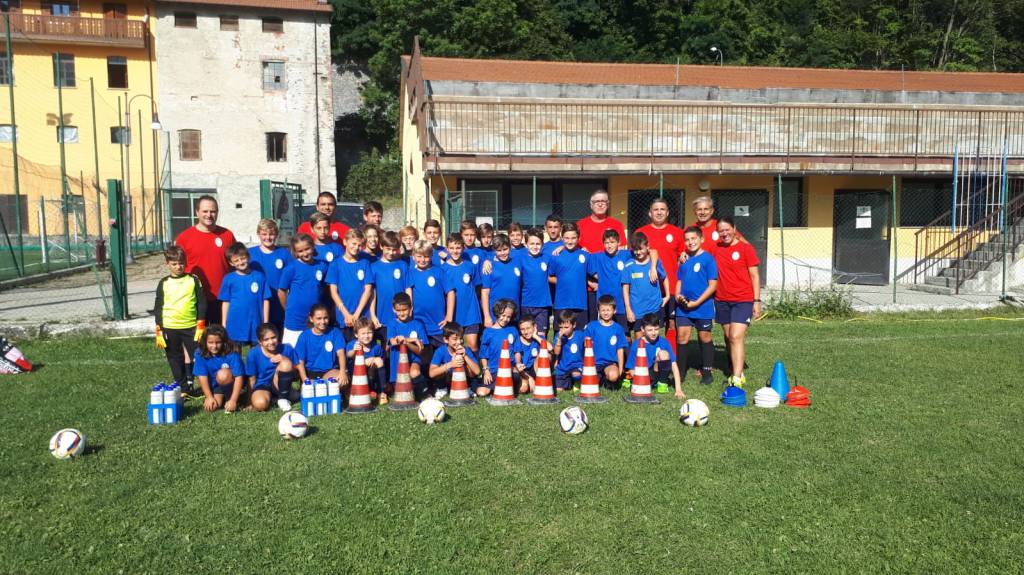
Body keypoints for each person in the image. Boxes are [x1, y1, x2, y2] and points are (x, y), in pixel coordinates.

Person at [713, 216, 761, 388]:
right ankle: (736, 369)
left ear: (734, 229)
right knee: (728, 337)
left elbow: (755, 276)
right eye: (721, 231)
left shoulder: (745, 248)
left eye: (727, 229)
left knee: (735, 336)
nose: (724, 233)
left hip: (743, 300)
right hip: (722, 300)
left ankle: (737, 376)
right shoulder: (716, 249)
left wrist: (756, 301)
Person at [154, 245, 206, 395]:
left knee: (199, 356)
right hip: (170, 327)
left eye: (181, 263)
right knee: (175, 358)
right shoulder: (163, 283)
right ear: (167, 264)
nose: (178, 267)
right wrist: (159, 328)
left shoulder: (193, 280)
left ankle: (206, 387)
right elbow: (159, 306)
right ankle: (183, 389)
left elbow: (202, 302)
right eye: (174, 264)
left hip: (191, 327)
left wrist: (200, 323)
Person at [174, 195, 235, 324]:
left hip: (223, 297)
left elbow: (235, 264)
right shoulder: (184, 238)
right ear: (197, 212)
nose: (209, 215)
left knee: (222, 339)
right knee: (197, 339)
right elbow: (177, 268)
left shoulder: (227, 235)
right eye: (205, 211)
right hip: (195, 297)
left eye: (213, 211)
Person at [675, 226, 718, 385]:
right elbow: (679, 280)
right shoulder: (684, 260)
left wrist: (697, 303)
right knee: (682, 336)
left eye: (693, 238)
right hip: (684, 307)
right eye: (687, 239)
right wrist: (678, 295)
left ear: (701, 239)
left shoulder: (708, 259)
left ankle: (707, 371)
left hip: (702, 306)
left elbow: (712, 285)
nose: (690, 242)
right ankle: (680, 372)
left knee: (704, 336)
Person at [637, 197, 686, 334]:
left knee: (672, 324)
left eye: (662, 209)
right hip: (649, 288)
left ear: (668, 212)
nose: (659, 212)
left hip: (671, 287)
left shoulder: (677, 232)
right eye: (656, 209)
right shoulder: (641, 233)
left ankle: (671, 355)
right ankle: (648, 354)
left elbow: (683, 257)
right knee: (648, 326)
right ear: (650, 213)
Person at [277, 234, 328, 347]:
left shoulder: (322, 266)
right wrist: (288, 308)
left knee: (312, 350)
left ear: (313, 247)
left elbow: (323, 287)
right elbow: (281, 291)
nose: (305, 253)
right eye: (300, 251)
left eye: (307, 249)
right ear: (295, 253)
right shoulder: (291, 268)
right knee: (291, 351)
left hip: (315, 318)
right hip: (295, 318)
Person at [219, 242, 270, 346]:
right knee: (235, 353)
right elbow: (226, 301)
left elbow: (266, 300)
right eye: (236, 260)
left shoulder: (259, 276)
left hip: (256, 322)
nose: (240, 262)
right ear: (231, 263)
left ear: (248, 257)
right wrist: (224, 323)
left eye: (242, 258)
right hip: (235, 323)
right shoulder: (228, 279)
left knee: (256, 352)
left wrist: (266, 321)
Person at [327, 228, 373, 340]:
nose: (356, 247)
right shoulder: (336, 264)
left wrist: (357, 314)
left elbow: (368, 290)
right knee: (346, 352)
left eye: (360, 245)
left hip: (362, 317)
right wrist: (346, 314)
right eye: (354, 243)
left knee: (363, 352)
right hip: (343, 318)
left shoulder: (365, 263)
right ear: (345, 242)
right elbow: (333, 291)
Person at [625, 313, 684, 398]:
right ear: (642, 329)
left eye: (656, 329)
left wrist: (678, 389)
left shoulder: (664, 342)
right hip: (643, 373)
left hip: (657, 371)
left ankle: (662, 383)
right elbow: (631, 369)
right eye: (650, 330)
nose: (653, 333)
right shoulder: (636, 345)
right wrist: (639, 381)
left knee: (663, 353)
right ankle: (652, 382)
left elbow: (674, 364)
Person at [621, 232, 668, 337]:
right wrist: (628, 309)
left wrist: (667, 295)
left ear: (647, 247)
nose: (638, 252)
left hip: (654, 308)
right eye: (635, 249)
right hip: (637, 310)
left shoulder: (654, 262)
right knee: (639, 339)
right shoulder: (629, 265)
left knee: (654, 337)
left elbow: (664, 277)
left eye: (641, 249)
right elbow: (625, 289)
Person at [442, 233, 482, 353]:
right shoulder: (443, 269)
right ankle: (457, 370)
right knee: (454, 347)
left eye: (458, 248)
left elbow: (477, 287)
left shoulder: (470, 266)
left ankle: (475, 371)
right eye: (452, 248)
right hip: (453, 314)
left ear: (463, 248)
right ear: (447, 249)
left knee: (472, 345)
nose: (455, 251)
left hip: (471, 312)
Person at [248, 219, 292, 327]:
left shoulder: (284, 253)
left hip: (279, 301)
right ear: (258, 234)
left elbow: (292, 277)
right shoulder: (250, 254)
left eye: (271, 234)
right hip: (258, 301)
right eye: (264, 234)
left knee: (278, 334)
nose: (268, 237)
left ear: (276, 234)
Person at [244, 323, 297, 412]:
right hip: (262, 385)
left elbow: (296, 373)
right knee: (260, 404)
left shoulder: (287, 348)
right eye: (266, 339)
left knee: (286, 363)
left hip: (280, 385)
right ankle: (273, 399)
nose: (271, 342)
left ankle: (282, 398)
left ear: (278, 336)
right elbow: (251, 379)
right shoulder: (253, 354)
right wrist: (249, 401)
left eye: (273, 337)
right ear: (260, 341)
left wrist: (284, 359)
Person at [192, 324, 246, 412]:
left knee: (223, 375)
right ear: (205, 342)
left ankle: (234, 399)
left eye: (218, 342)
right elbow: (202, 376)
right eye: (210, 342)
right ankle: (222, 397)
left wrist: (233, 400)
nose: (214, 346)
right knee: (213, 407)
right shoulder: (200, 353)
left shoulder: (232, 352)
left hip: (231, 382)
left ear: (224, 342)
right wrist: (209, 397)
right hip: (215, 386)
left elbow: (239, 377)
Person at [293, 304, 349, 386]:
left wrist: (342, 371)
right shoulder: (304, 336)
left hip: (330, 372)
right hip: (311, 373)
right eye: (319, 318)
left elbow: (341, 354)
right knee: (313, 391)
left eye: (325, 318)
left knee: (340, 380)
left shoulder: (335, 332)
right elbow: (300, 361)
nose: (322, 322)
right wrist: (305, 379)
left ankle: (323, 387)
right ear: (311, 319)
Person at [406, 240, 447, 349]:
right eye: (419, 256)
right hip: (419, 321)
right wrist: (410, 312)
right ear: (413, 256)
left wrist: (449, 316)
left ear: (431, 256)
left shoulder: (439, 271)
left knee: (443, 354)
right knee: (423, 356)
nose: (422, 260)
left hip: (438, 323)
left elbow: (450, 293)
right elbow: (408, 292)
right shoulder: (410, 274)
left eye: (426, 256)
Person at [548, 221, 589, 329]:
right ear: (562, 238)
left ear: (578, 238)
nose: (570, 241)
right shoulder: (556, 256)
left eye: (573, 238)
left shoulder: (585, 255)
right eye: (566, 238)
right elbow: (549, 276)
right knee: (560, 337)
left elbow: (591, 274)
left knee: (580, 337)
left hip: (580, 304)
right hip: (562, 303)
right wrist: (562, 281)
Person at [586, 229, 631, 327]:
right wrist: (591, 281)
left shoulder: (626, 254)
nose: (609, 245)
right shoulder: (598, 257)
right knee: (604, 331)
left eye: (612, 242)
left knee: (624, 334)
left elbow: (648, 251)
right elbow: (581, 265)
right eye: (606, 243)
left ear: (619, 242)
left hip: (621, 303)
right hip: (604, 303)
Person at [385, 293, 426, 396]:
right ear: (394, 310)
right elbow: (392, 341)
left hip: (413, 361)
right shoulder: (392, 323)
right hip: (397, 365)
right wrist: (412, 339)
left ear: (411, 308)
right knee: (402, 394)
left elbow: (420, 350)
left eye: (404, 310)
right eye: (398, 310)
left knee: (415, 373)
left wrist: (407, 342)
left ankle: (425, 393)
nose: (402, 313)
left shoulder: (418, 325)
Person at [370, 231, 408, 341]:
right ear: (381, 246)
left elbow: (408, 289)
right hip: (383, 317)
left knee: (402, 348)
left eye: (394, 249)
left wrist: (410, 310)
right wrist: (373, 315)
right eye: (388, 249)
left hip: (402, 316)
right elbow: (372, 293)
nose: (391, 253)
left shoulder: (402, 265)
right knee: (385, 350)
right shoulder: (374, 267)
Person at [584, 295, 628, 390]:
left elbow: (620, 350)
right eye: (603, 310)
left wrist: (620, 370)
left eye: (608, 310)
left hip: (610, 363)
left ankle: (608, 378)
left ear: (614, 310)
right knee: (591, 383)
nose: (606, 313)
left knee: (613, 375)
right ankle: (601, 378)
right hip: (594, 363)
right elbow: (584, 346)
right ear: (598, 310)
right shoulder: (592, 326)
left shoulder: (618, 329)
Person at [428, 322, 481, 399]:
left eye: (460, 339)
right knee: (441, 367)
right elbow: (431, 373)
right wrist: (450, 364)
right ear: (446, 340)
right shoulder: (440, 351)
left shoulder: (466, 350)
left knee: (469, 366)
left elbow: (477, 371)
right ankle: (442, 388)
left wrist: (465, 356)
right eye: (455, 339)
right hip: (448, 379)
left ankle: (468, 387)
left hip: (465, 379)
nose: (459, 342)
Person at [478, 299, 519, 398]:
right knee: (481, 392)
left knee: (523, 387)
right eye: (503, 315)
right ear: (497, 313)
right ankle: (496, 386)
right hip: (492, 370)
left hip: (510, 370)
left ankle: (504, 386)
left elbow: (517, 350)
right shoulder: (488, 332)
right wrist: (486, 370)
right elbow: (483, 355)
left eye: (508, 317)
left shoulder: (513, 330)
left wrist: (517, 364)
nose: (505, 319)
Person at [481, 234, 521, 327]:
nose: (502, 253)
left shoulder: (517, 261)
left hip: (514, 312)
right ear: (494, 251)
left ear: (510, 248)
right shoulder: (489, 266)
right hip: (497, 313)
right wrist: (487, 316)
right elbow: (485, 292)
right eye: (499, 250)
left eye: (505, 249)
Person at [519, 228, 552, 337]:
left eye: (538, 243)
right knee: (527, 336)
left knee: (541, 336)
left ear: (543, 244)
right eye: (532, 243)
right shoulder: (519, 259)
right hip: (525, 304)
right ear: (526, 244)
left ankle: (542, 354)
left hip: (542, 305)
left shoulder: (547, 258)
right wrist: (488, 261)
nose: (535, 246)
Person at [346, 318, 386, 404]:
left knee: (379, 360)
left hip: (371, 376)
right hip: (355, 377)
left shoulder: (376, 347)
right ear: (356, 335)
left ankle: (381, 392)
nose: (366, 336)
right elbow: (348, 355)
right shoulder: (353, 344)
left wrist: (374, 360)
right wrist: (354, 351)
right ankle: (352, 391)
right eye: (363, 333)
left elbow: (382, 362)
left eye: (369, 332)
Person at [576, 189, 626, 255]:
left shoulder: (617, 225)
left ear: (608, 205)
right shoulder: (580, 225)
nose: (600, 204)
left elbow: (622, 247)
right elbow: (572, 246)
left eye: (603, 201)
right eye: (597, 201)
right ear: (591, 205)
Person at [552, 309, 584, 391]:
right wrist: (559, 339)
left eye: (566, 327)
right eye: (560, 327)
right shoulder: (557, 336)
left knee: (576, 375)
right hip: (563, 367)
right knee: (558, 389)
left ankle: (577, 382)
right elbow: (556, 352)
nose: (563, 330)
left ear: (574, 325)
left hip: (577, 366)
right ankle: (569, 382)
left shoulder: (580, 335)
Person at [513, 316, 543, 394]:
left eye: (528, 328)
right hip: (521, 370)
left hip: (533, 369)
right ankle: (524, 381)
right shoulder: (518, 340)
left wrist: (535, 336)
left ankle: (540, 379)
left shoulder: (538, 338)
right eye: (522, 329)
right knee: (523, 390)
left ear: (535, 327)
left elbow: (550, 348)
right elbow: (517, 363)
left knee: (547, 354)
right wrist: (528, 378)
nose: (526, 332)